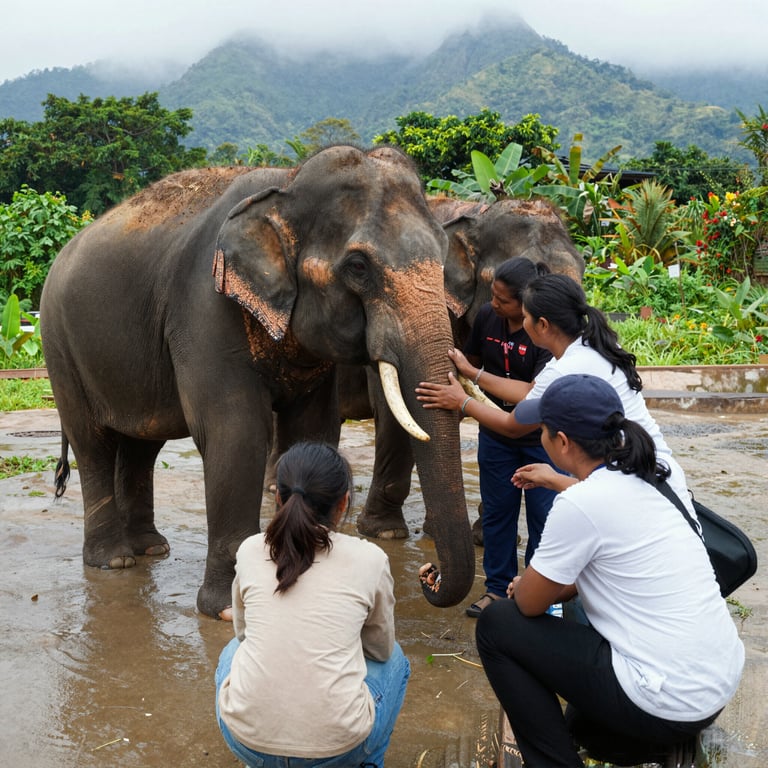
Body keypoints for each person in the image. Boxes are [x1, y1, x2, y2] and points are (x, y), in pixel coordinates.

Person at [475, 373, 744, 767]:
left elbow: (529, 605)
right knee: (584, 729)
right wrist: (547, 584)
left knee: (498, 624)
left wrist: (528, 585)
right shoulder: (655, 474)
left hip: (668, 701)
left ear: (561, 442)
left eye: (542, 430)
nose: (540, 437)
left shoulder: (581, 503)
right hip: (713, 685)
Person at [415, 272, 693, 512]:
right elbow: (530, 392)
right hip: (657, 474)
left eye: (525, 317)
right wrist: (473, 373)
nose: (522, 324)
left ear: (543, 325)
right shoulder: (588, 347)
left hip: (639, 486)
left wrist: (462, 402)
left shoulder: (565, 369)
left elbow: (513, 426)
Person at [215, 441, 410, 768]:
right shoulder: (370, 559)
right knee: (397, 660)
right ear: (343, 502)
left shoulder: (249, 549)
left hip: (248, 743)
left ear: (278, 497)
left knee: (233, 651)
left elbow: (244, 633)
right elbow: (379, 650)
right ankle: (368, 762)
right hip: (338, 750)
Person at [460, 257, 562, 618]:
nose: (493, 304)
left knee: (544, 518)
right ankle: (497, 589)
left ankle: (538, 594)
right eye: (492, 295)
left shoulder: (542, 333)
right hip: (496, 435)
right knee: (497, 514)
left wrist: (473, 377)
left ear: (524, 303)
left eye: (502, 300)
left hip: (539, 439)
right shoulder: (488, 318)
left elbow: (530, 394)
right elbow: (471, 357)